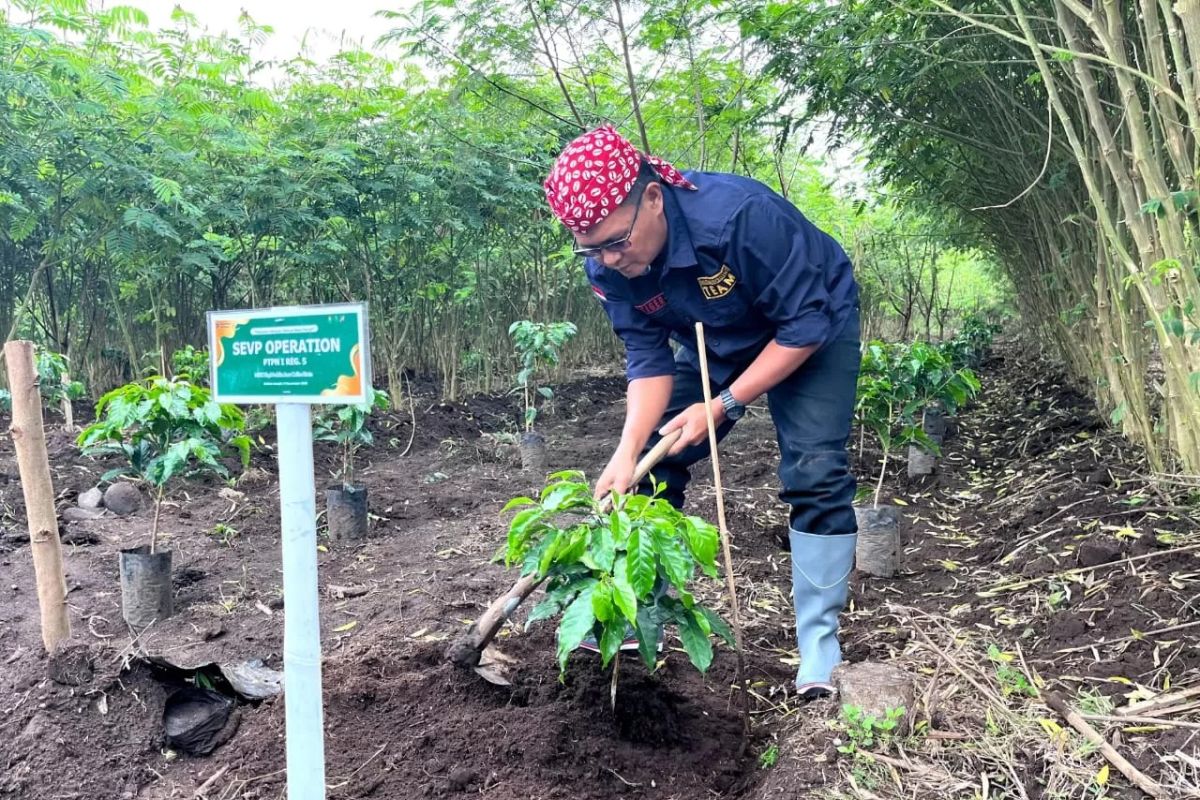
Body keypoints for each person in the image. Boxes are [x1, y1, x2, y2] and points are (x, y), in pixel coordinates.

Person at [542, 124, 861, 700]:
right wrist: (624, 451)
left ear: (654, 198)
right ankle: (644, 614)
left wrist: (727, 401)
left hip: (810, 329)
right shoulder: (608, 266)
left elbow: (805, 323)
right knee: (647, 464)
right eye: (593, 249)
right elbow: (646, 357)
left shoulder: (739, 218)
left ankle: (819, 642)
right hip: (711, 340)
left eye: (617, 241)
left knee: (814, 470)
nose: (610, 258)